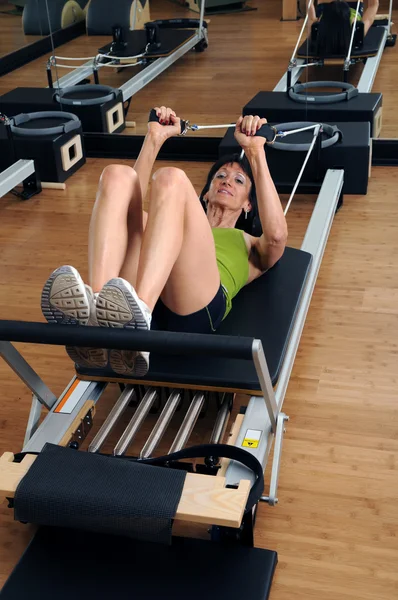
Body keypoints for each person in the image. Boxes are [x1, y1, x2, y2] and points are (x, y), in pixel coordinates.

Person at [41, 107, 288, 377]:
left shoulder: (248, 242)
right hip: (145, 292)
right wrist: (154, 138)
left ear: (248, 204)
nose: (227, 181)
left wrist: (255, 151)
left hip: (195, 306)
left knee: (170, 178)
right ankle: (99, 308)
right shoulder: (172, 227)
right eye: (220, 176)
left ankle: (140, 317)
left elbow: (276, 237)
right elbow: (126, 204)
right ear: (205, 195)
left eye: (238, 180)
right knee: (116, 175)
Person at [308, 0, 379, 56]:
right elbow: (373, 5)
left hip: (326, 7)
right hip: (347, 6)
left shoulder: (316, 34)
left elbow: (373, 6)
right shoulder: (356, 33)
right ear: (349, 22)